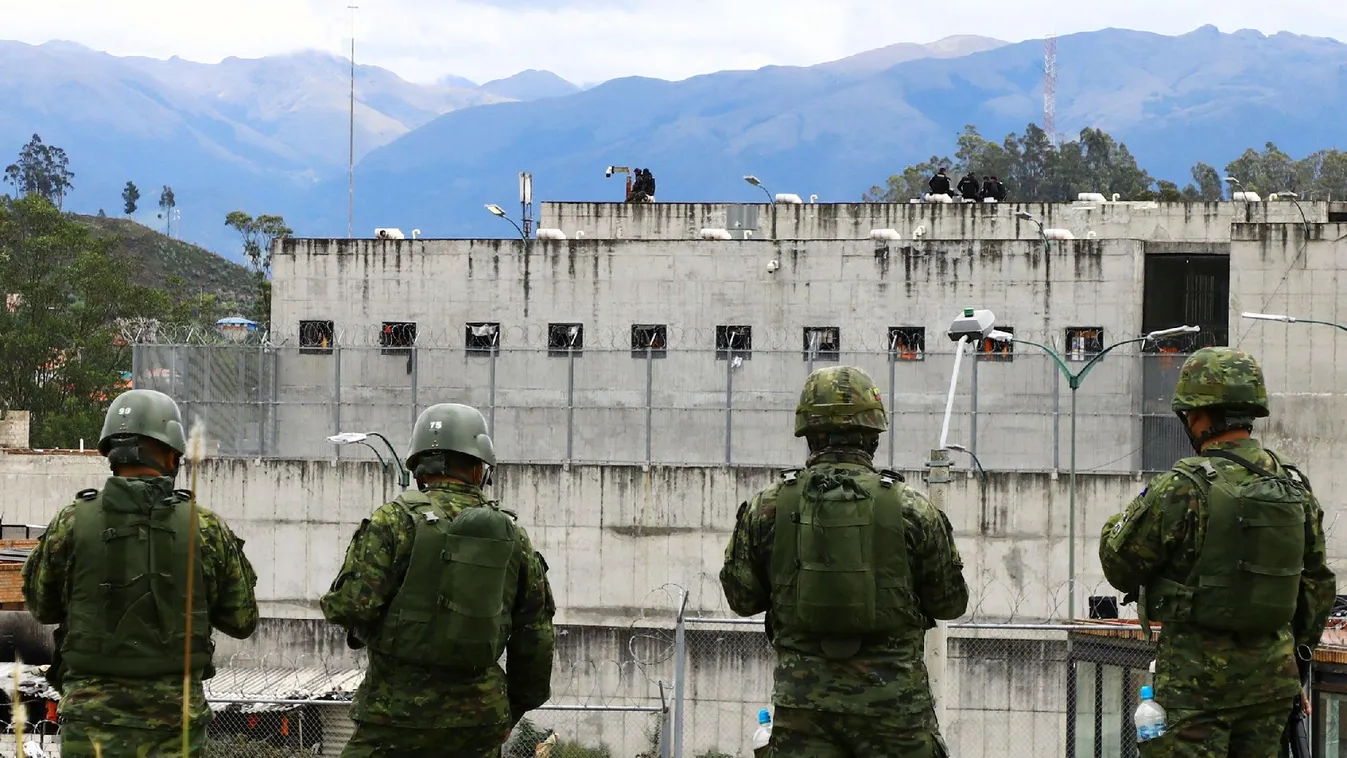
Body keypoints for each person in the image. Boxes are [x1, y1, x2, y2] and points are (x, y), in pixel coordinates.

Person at [720, 366, 968, 757]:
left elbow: (741, 599)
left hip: (803, 710)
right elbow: (950, 603)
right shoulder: (912, 509)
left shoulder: (767, 507)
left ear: (808, 432)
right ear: (873, 433)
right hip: (896, 713)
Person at [1100, 347, 1336, 758]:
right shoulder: (1293, 484)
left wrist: (1114, 525)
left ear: (1199, 415)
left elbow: (1120, 565)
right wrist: (1296, 662)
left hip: (1196, 689)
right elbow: (1316, 585)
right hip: (1272, 685)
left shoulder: (1182, 486)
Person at [22, 389, 259, 757]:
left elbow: (42, 607)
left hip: (90, 728)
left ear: (112, 453)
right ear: (168, 453)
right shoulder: (206, 528)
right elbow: (242, 620)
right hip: (175, 730)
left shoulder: (71, 523)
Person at [322, 403, 556, 758]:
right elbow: (536, 637)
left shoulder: (393, 521)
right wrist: (513, 708)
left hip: (392, 719)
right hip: (477, 723)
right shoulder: (513, 537)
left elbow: (350, 607)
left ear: (417, 468)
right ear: (480, 468)